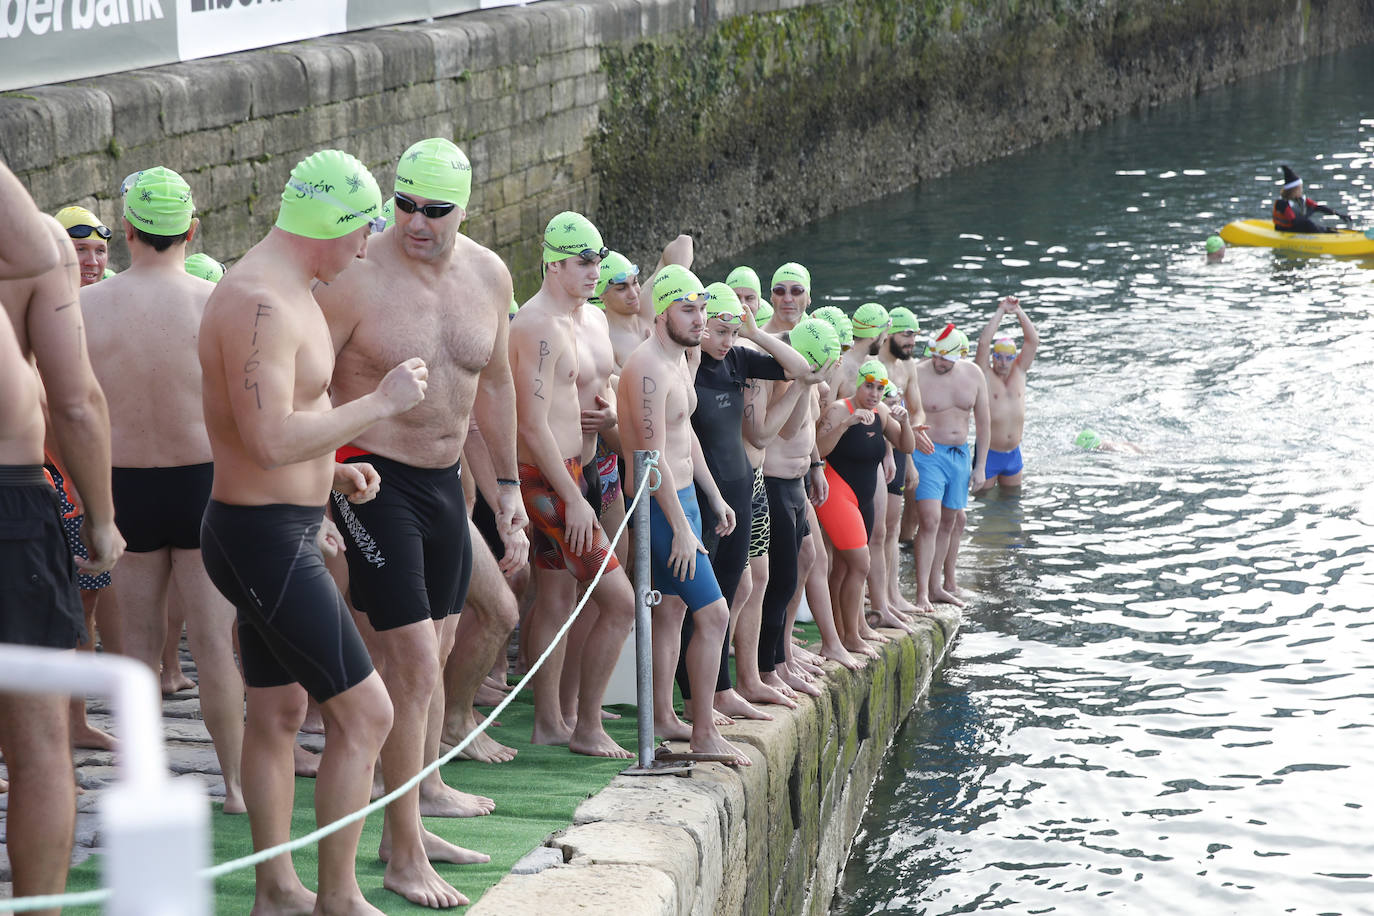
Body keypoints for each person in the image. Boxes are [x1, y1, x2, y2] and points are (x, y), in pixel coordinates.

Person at [198, 148, 423, 915]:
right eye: (361, 230)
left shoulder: (286, 289)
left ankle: (278, 892)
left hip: (277, 525)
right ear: (329, 225)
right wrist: (378, 406)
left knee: (280, 713)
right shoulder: (257, 300)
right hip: (260, 538)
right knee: (368, 713)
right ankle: (338, 897)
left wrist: (332, 470)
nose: (366, 247)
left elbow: (272, 431)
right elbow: (264, 440)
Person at [315, 138, 515, 906]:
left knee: (436, 648)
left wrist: (507, 490)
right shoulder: (357, 274)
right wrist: (321, 483)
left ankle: (413, 810)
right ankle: (400, 856)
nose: (416, 222)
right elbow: (310, 381)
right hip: (369, 478)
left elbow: (494, 385)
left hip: (444, 484)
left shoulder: (490, 275)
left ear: (466, 206)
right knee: (413, 666)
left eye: (435, 209)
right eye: (404, 204)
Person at [80, 166, 246, 813]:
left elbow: (71, 407)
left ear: (126, 233)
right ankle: (233, 787)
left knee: (138, 655)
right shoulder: (214, 302)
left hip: (122, 487)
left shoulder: (88, 307)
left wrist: (93, 506)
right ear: (192, 230)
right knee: (212, 647)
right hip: (203, 486)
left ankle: (142, 784)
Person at [0, 171, 123, 916]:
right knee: (40, 742)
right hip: (11, 491)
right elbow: (75, 399)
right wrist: (103, 520)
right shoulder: (35, 244)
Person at [510, 211, 635, 758]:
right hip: (547, 479)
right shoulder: (536, 325)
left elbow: (597, 386)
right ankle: (584, 726)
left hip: (584, 468)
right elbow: (530, 424)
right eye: (585, 263)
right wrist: (571, 498)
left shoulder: (593, 320)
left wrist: (605, 420)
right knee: (621, 601)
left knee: (560, 597)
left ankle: (552, 720)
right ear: (554, 262)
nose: (595, 273)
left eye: (600, 262)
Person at [618, 266, 750, 764]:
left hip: (684, 499)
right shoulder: (648, 369)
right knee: (714, 615)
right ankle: (702, 733)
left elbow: (684, 435)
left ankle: (662, 717)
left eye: (702, 310)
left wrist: (713, 497)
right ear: (662, 312)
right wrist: (677, 528)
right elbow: (649, 461)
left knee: (672, 611)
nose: (699, 320)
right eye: (688, 309)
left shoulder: (679, 360)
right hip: (658, 506)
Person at [680, 281, 822, 720]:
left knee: (733, 590)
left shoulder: (740, 357)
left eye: (729, 332)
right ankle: (697, 698)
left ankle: (721, 690)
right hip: (707, 496)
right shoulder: (688, 364)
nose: (723, 341)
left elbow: (803, 370)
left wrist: (754, 334)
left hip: (740, 492)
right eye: (716, 331)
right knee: (702, 604)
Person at [815, 359, 918, 655]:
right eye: (868, 386)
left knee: (845, 568)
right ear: (858, 384)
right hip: (837, 491)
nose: (873, 393)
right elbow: (818, 450)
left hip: (864, 497)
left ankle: (846, 631)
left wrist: (906, 421)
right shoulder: (839, 409)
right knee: (861, 563)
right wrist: (846, 424)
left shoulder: (881, 413)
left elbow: (906, 446)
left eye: (879, 388)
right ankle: (849, 638)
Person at [911, 323, 989, 611]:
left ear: (959, 356)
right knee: (929, 519)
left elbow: (983, 423)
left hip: (960, 456)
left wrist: (980, 466)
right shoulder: (918, 373)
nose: (939, 362)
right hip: (928, 452)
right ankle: (921, 593)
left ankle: (937, 586)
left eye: (946, 358)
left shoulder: (974, 374)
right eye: (936, 355)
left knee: (949, 521)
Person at [877, 305, 935, 618]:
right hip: (879, 450)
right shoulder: (874, 364)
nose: (912, 341)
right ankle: (878, 597)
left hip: (900, 447)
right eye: (906, 333)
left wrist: (910, 449)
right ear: (889, 334)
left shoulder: (908, 365)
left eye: (914, 334)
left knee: (892, 527)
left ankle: (893, 594)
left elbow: (917, 409)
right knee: (877, 529)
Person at [974, 295, 1039, 492]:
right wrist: (1001, 311)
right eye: (998, 357)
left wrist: (1019, 312)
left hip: (1013, 454)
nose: (1003, 362)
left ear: (1015, 358)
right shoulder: (984, 373)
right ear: (993, 358)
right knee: (984, 503)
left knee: (1011, 506)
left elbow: (1033, 341)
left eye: (1008, 357)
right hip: (988, 454)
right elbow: (983, 343)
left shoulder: (1020, 370)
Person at [596, 250, 647, 369]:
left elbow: (683, 242)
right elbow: (630, 387)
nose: (634, 294)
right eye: (621, 289)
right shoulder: (606, 343)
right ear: (601, 294)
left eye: (635, 282)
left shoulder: (648, 314)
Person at [1273, 165, 1351, 233]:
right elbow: (1294, 221)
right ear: (1293, 190)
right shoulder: (1282, 203)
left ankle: (1328, 232)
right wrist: (1309, 215)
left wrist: (1338, 214)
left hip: (1296, 226)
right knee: (1309, 223)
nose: (1301, 191)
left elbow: (1318, 207)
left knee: (1319, 227)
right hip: (1284, 230)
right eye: (1300, 189)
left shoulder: (1300, 199)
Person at [54, 206, 113, 286]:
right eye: (81, 249)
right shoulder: (35, 291)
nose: (93, 262)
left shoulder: (114, 286)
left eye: (100, 250)